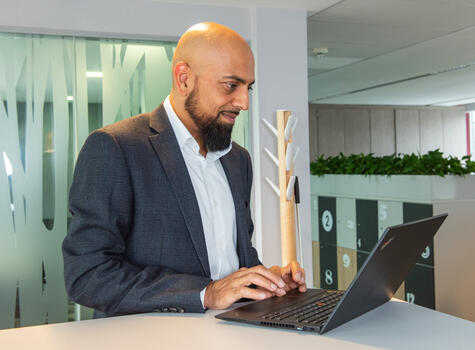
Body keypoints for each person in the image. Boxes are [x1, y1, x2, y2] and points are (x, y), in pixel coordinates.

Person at [62, 22, 306, 317]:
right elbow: (88, 275)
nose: (243, 102)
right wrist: (205, 293)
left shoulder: (238, 160)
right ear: (183, 78)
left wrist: (266, 282)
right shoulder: (115, 147)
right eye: (231, 85)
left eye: (248, 88)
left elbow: (235, 261)